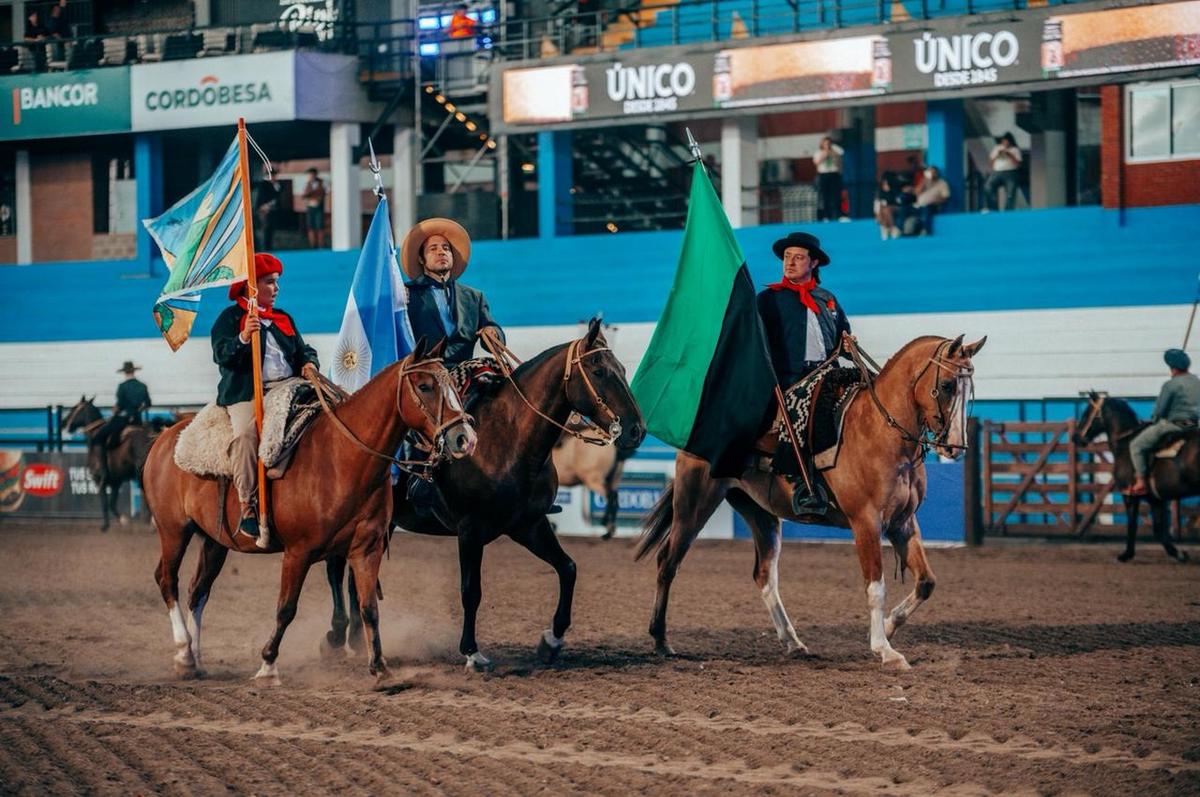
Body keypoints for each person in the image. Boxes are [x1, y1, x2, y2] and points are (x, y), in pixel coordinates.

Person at [211, 253, 319, 545]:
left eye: (277, 282)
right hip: (248, 393)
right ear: (252, 286)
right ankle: (247, 504)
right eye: (270, 282)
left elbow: (303, 350)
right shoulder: (230, 319)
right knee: (247, 438)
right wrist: (243, 338)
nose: (277, 288)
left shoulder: (283, 318)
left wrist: (309, 363)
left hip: (290, 387)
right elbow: (221, 355)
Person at [400, 218, 504, 516]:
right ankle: (416, 474)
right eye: (433, 249)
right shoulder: (406, 295)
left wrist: (493, 333)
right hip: (426, 374)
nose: (441, 252)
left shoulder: (475, 297)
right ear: (422, 259)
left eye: (445, 248)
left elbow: (492, 327)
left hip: (468, 368)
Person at [757, 232, 851, 515]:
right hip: (790, 378)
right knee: (805, 406)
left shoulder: (827, 299)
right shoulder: (768, 300)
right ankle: (802, 482)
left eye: (798, 257)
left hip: (828, 373)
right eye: (787, 257)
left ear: (813, 263)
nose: (790, 263)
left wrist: (847, 344)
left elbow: (842, 338)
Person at [1127, 349, 1200, 496]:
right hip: (1192, 424)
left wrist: (1154, 419)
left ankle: (1141, 482)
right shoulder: (1197, 382)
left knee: (1136, 445)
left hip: (1174, 424)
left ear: (1172, 368)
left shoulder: (1170, 385)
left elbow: (1160, 410)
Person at [91, 361, 152, 477]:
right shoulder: (143, 386)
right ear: (134, 371)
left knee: (98, 438)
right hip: (137, 421)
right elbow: (148, 404)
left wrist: (115, 410)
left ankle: (104, 471)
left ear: (125, 372)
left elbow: (120, 405)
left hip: (123, 420)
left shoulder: (122, 387)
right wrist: (138, 409)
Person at [984, 132, 1022, 212]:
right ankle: (993, 208)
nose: (1005, 143)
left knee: (1010, 193)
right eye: (1004, 141)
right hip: (997, 172)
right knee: (988, 187)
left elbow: (1018, 164)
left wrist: (1010, 155)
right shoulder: (997, 148)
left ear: (1010, 141)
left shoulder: (1015, 149)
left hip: (1010, 172)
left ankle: (1008, 211)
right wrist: (997, 155)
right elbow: (991, 163)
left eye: (1007, 141)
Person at [812, 136, 844, 223]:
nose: (827, 145)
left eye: (829, 143)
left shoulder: (834, 151)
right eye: (826, 143)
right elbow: (816, 163)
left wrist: (832, 153)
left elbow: (840, 158)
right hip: (824, 174)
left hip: (834, 174)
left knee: (836, 195)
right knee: (825, 196)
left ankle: (838, 215)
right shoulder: (818, 153)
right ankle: (826, 216)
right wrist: (825, 154)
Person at [912, 166, 951, 236]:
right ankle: (903, 232)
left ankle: (926, 231)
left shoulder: (942, 183)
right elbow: (916, 193)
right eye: (930, 172)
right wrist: (923, 182)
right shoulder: (924, 183)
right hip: (919, 206)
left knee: (927, 209)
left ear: (937, 173)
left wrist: (935, 201)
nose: (932, 174)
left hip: (933, 206)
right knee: (904, 209)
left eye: (933, 172)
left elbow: (945, 197)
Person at [252, 164, 280, 252]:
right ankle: (263, 248)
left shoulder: (275, 185)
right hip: (263, 210)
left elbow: (278, 194)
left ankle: (268, 247)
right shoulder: (263, 184)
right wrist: (263, 206)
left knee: (270, 229)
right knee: (264, 229)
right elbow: (260, 198)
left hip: (271, 210)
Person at [301, 168, 326, 249]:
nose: (310, 176)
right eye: (309, 175)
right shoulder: (307, 184)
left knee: (320, 227)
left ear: (315, 175)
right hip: (310, 207)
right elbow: (303, 195)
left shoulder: (321, 183)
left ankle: (321, 246)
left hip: (319, 207)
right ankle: (312, 246)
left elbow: (324, 193)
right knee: (310, 227)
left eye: (312, 174)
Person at [873, 173, 901, 240]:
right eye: (884, 184)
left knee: (886, 209)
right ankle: (885, 228)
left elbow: (898, 202)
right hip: (884, 210)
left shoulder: (895, 190)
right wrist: (877, 215)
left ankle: (892, 228)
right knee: (883, 209)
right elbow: (877, 205)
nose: (885, 185)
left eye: (887, 183)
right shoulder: (880, 193)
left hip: (896, 208)